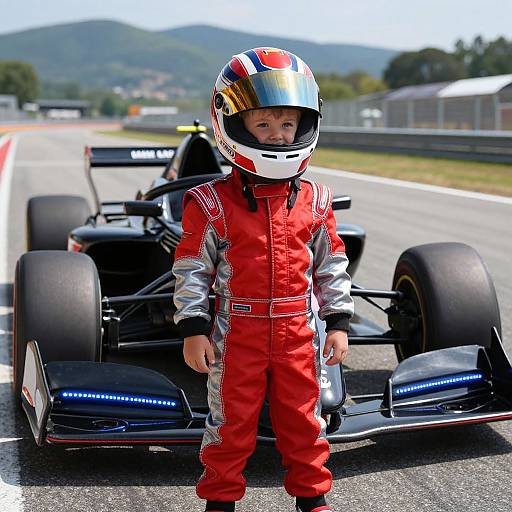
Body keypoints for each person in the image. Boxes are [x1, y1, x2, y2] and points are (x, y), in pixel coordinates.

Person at [172, 47, 354, 512]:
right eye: (264, 125)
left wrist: (337, 321)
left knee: (304, 421)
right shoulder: (208, 202)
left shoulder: (316, 199)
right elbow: (192, 269)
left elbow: (331, 264)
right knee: (229, 424)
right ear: (233, 124)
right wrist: (193, 328)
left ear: (306, 125)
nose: (278, 136)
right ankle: (220, 502)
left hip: (299, 330)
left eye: (288, 125)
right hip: (237, 332)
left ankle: (313, 499)